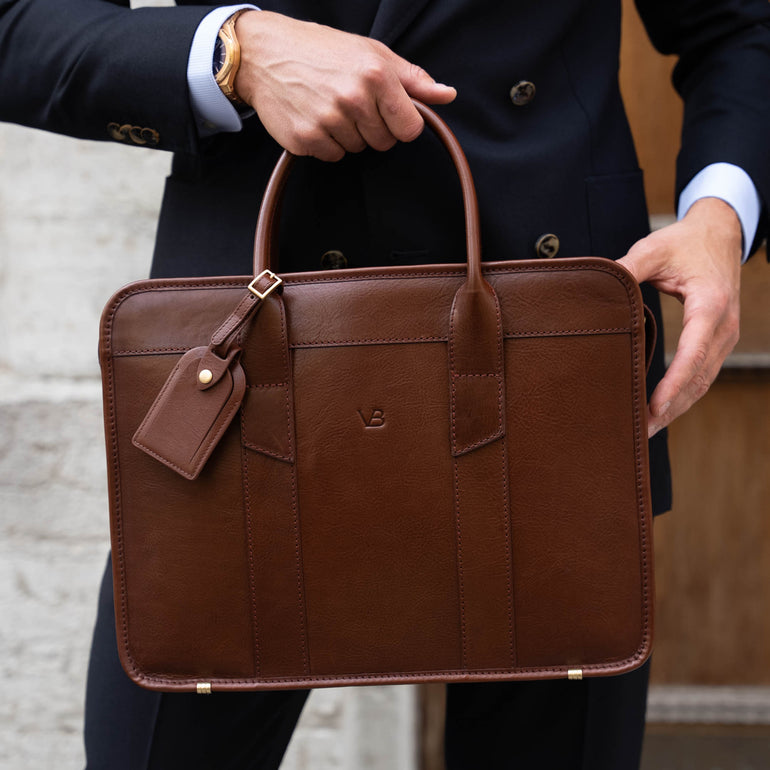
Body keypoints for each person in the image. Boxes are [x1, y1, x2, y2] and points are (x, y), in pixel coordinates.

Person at [1, 1, 768, 767]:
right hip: (243, 363)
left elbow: (742, 23)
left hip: (549, 360)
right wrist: (235, 51)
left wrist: (719, 219)